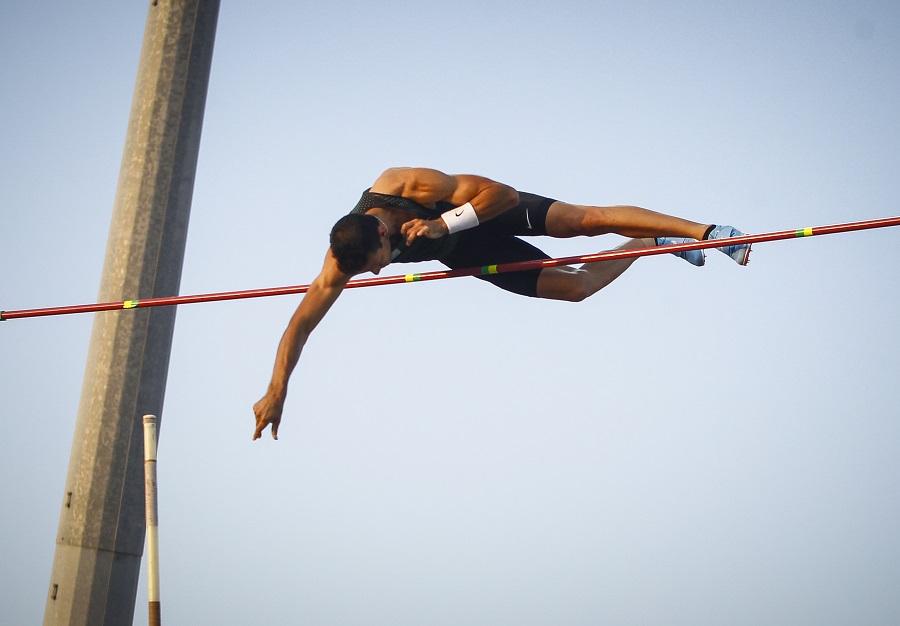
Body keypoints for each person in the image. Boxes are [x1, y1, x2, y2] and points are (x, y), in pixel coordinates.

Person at [252, 167, 750, 440]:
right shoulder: (344, 258)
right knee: (576, 288)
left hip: (481, 214)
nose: (379, 271)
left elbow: (504, 193)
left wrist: (442, 224)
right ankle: (654, 242)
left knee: (589, 220)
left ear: (382, 230)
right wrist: (277, 390)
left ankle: (709, 233)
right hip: (467, 253)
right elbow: (300, 324)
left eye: (378, 260)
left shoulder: (408, 187)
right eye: (368, 270)